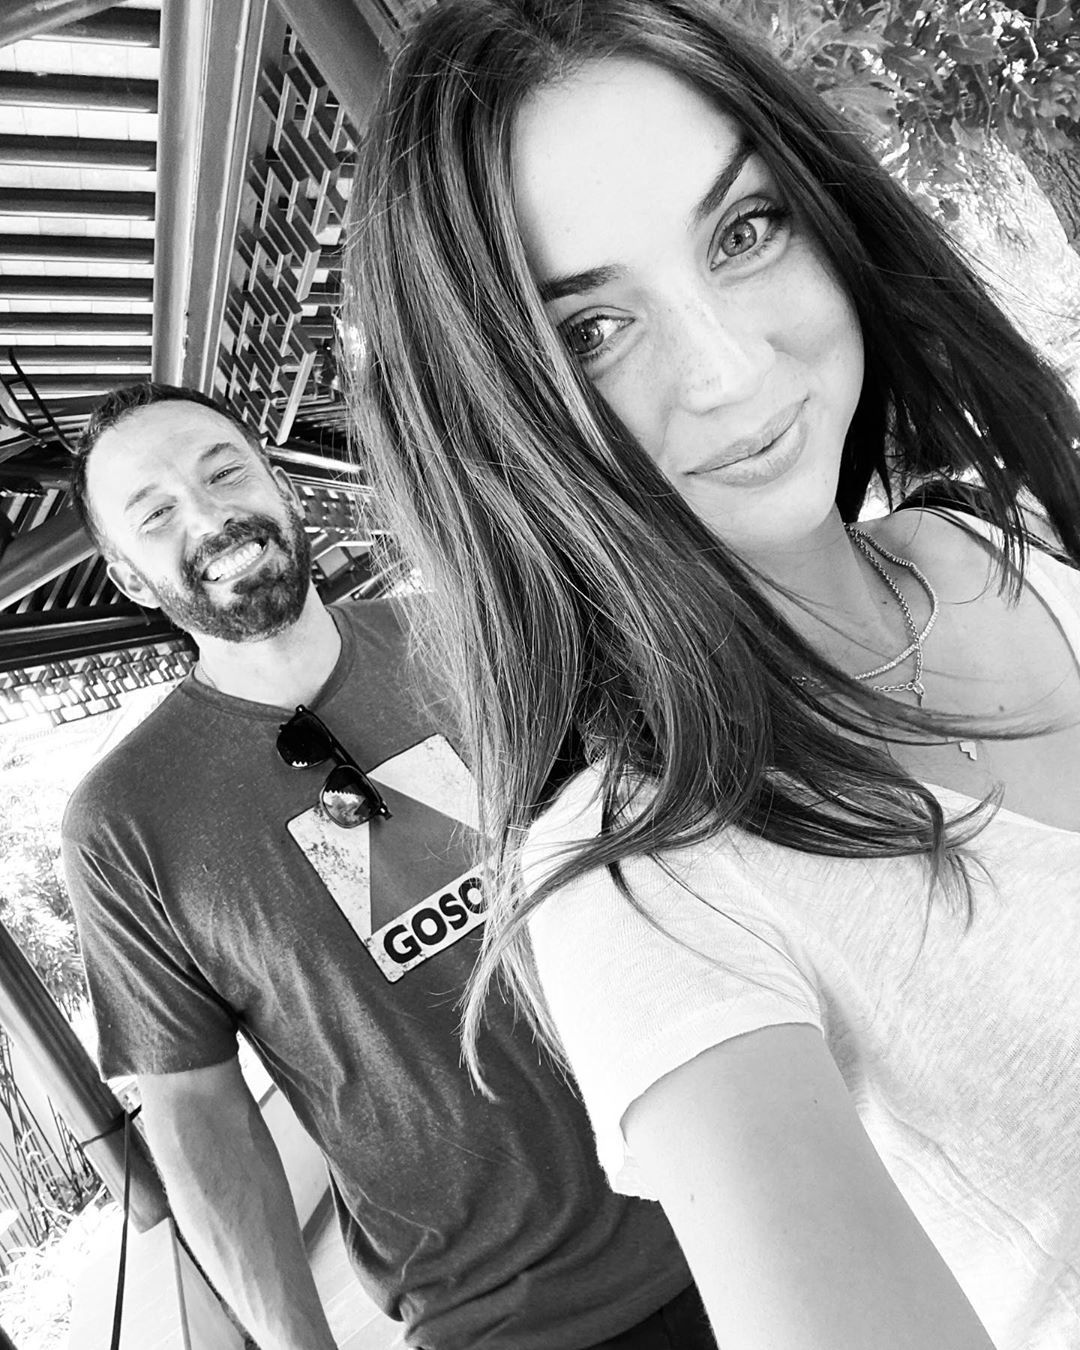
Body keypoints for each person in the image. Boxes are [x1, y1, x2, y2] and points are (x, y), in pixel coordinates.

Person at [344, 2, 1080, 1348]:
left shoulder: (1000, 531)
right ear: (489, 415)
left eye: (744, 232)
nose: (731, 372)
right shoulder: (647, 882)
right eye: (591, 330)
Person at [61, 382, 717, 1350]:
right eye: (155, 513)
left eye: (224, 471)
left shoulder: (475, 633)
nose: (208, 516)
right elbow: (196, 1110)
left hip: (726, 1176)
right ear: (127, 576)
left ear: (280, 485)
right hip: (499, 1312)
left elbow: (669, 849)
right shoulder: (126, 821)